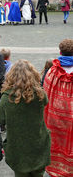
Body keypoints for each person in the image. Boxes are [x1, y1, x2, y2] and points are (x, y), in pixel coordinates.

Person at [0, 59, 51, 177]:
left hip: (17, 147)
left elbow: (1, 120)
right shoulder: (40, 94)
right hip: (38, 143)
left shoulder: (6, 98)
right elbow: (46, 103)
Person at [43, 39, 73, 177]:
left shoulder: (52, 72)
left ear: (60, 52)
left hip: (54, 120)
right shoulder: (53, 71)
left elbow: (45, 96)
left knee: (56, 144)